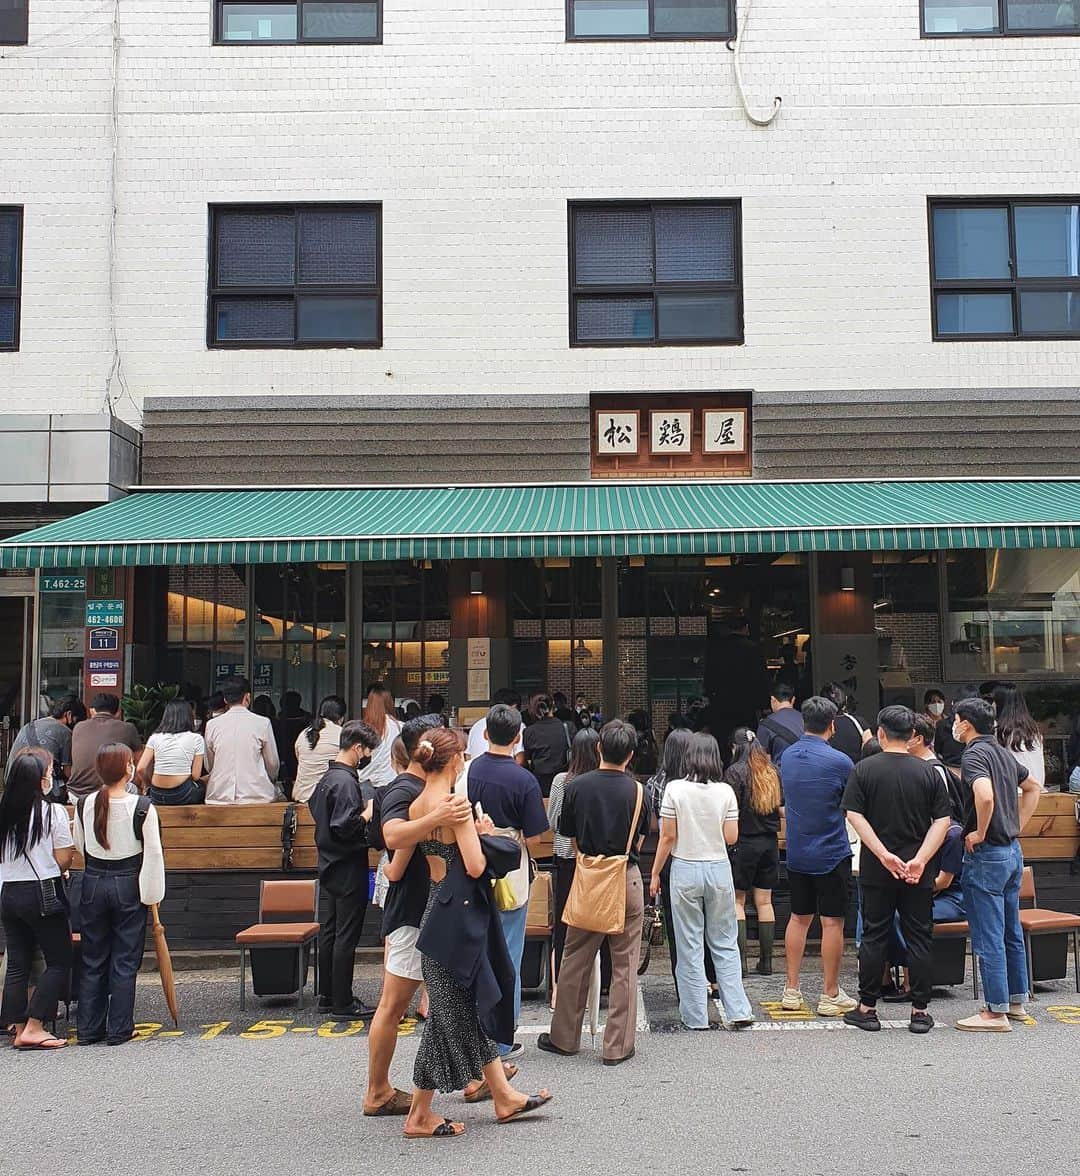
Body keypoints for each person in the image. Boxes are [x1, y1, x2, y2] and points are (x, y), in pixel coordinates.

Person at [403, 727, 552, 1137]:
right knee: (454, 1009)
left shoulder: (418, 805)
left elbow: (410, 859)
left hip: (437, 907)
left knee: (456, 1008)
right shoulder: (455, 804)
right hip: (462, 915)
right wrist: (484, 835)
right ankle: (422, 1114)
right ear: (453, 762)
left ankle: (501, 1096)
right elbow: (472, 864)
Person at [363, 714, 473, 1118]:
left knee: (454, 996)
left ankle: (482, 1079)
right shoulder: (404, 790)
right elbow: (393, 837)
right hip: (412, 911)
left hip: (425, 908)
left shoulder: (417, 787)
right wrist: (435, 819)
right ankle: (378, 1091)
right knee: (394, 1004)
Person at [539, 719, 650, 1067]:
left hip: (588, 877)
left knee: (574, 958)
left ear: (599, 748)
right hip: (625, 876)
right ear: (630, 755)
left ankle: (564, 1038)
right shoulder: (638, 791)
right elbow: (641, 839)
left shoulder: (576, 787)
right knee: (624, 964)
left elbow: (568, 834)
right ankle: (617, 1046)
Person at [841, 706, 952, 1035]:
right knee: (920, 936)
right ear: (912, 735)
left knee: (874, 935)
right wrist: (920, 859)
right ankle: (919, 1012)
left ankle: (867, 1008)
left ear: (880, 733)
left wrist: (885, 855)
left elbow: (854, 816)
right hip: (920, 871)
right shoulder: (929, 771)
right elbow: (943, 821)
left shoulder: (864, 770)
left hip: (878, 869)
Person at [464, 702, 549, 1065]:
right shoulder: (524, 780)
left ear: (484, 735)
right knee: (509, 952)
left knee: (475, 949)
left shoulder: (466, 771)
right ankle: (500, 1040)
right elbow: (535, 836)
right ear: (518, 739)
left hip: (471, 860)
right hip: (511, 866)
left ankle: (471, 1032)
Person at [651, 732, 753, 1031]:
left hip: (684, 867)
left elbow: (668, 836)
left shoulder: (675, 789)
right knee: (724, 941)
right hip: (719, 868)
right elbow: (731, 837)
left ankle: (695, 1016)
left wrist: (656, 872)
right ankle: (737, 1009)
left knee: (689, 944)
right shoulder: (725, 792)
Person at [951, 696, 1041, 1032]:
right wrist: (1016, 825)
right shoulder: (1002, 752)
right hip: (1012, 851)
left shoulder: (974, 754)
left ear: (967, 724)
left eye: (956, 719)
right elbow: (1033, 787)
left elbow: (984, 795)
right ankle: (1016, 1001)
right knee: (1010, 931)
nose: (953, 725)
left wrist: (979, 832)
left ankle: (995, 1011)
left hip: (987, 854)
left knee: (988, 934)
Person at [73, 743, 166, 1045]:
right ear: (127, 769)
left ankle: (88, 1029)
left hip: (92, 881)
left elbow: (80, 845)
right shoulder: (142, 807)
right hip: (128, 883)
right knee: (125, 959)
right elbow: (152, 853)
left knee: (93, 957)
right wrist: (152, 893)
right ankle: (119, 1028)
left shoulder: (85, 803)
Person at [777, 696, 858, 1017]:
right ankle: (830, 993)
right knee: (832, 923)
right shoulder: (841, 762)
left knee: (798, 918)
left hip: (797, 851)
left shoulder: (787, 757)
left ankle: (792, 989)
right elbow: (849, 806)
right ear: (833, 725)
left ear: (803, 722)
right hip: (832, 850)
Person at [306, 719, 380, 1019]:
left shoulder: (327, 778)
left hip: (328, 861)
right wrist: (367, 813)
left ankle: (327, 995)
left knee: (330, 930)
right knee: (346, 934)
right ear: (357, 748)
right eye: (367, 750)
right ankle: (343, 1002)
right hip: (348, 863)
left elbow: (315, 810)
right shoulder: (347, 783)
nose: (367, 756)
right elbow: (345, 826)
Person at [0, 754, 75, 1049]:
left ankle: (16, 1025)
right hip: (41, 893)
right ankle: (34, 1025)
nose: (50, 779)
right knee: (60, 959)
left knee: (18, 961)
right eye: (47, 774)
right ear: (38, 781)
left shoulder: (3, 813)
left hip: (8, 893)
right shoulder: (51, 813)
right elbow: (63, 857)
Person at [645, 728, 712, 996]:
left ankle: (683, 981)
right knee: (705, 921)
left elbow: (654, 826)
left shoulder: (655, 784)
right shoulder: (702, 783)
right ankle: (711, 978)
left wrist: (655, 871)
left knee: (677, 926)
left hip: (670, 857)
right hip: (701, 854)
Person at [547, 727, 603, 1006]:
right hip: (595, 861)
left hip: (566, 858)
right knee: (599, 920)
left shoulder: (562, 780)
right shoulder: (601, 781)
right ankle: (600, 986)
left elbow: (553, 820)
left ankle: (560, 988)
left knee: (563, 922)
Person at [725, 727, 783, 977]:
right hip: (769, 843)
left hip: (744, 841)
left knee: (738, 900)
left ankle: (742, 964)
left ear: (736, 748)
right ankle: (767, 962)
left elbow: (730, 809)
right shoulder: (772, 771)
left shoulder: (735, 772)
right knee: (765, 901)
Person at [203, 675, 280, 804]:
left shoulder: (212, 725)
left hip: (219, 796)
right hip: (257, 796)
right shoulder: (262, 723)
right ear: (248, 697)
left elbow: (209, 764)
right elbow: (273, 764)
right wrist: (271, 779)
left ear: (225, 700)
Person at [67, 693, 142, 801]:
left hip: (77, 795)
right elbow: (139, 763)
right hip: (111, 795)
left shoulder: (78, 727)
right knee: (134, 789)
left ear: (92, 710)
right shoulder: (128, 728)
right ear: (118, 712)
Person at [136, 699, 206, 806]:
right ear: (189, 716)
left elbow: (140, 768)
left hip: (156, 794)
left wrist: (148, 785)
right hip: (182, 794)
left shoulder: (155, 737)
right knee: (201, 785)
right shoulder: (196, 738)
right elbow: (196, 776)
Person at [6, 693, 85, 785]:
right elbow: (68, 772)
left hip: (13, 783)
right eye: (78, 720)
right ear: (69, 715)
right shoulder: (65, 732)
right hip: (37, 789)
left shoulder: (29, 726)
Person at [992, 682, 1046, 791]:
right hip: (1038, 791)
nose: (991, 704)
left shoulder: (998, 731)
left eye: (993, 700)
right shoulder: (1033, 730)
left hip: (1013, 794)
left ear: (999, 703)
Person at [293, 696, 346, 804]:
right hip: (327, 799)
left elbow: (299, 759)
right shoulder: (342, 734)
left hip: (302, 796)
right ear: (341, 718)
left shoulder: (303, 734)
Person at [522, 693, 571, 798]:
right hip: (561, 779)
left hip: (538, 781)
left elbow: (527, 758)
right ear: (552, 706)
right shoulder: (565, 727)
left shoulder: (529, 731)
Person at [358, 683, 403, 790]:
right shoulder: (401, 727)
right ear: (389, 703)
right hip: (393, 782)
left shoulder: (364, 728)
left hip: (367, 783)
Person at [466, 688, 525, 760]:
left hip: (476, 768)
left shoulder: (477, 725)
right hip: (504, 769)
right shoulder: (517, 724)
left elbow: (468, 756)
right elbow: (520, 760)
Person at [820, 682, 871, 764]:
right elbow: (870, 750)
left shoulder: (816, 724)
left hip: (827, 772)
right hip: (855, 772)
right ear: (846, 699)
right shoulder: (859, 722)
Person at [757, 683, 803, 764]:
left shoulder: (765, 724)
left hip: (781, 774)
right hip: (808, 773)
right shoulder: (806, 719)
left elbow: (763, 761)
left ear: (772, 700)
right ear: (793, 700)